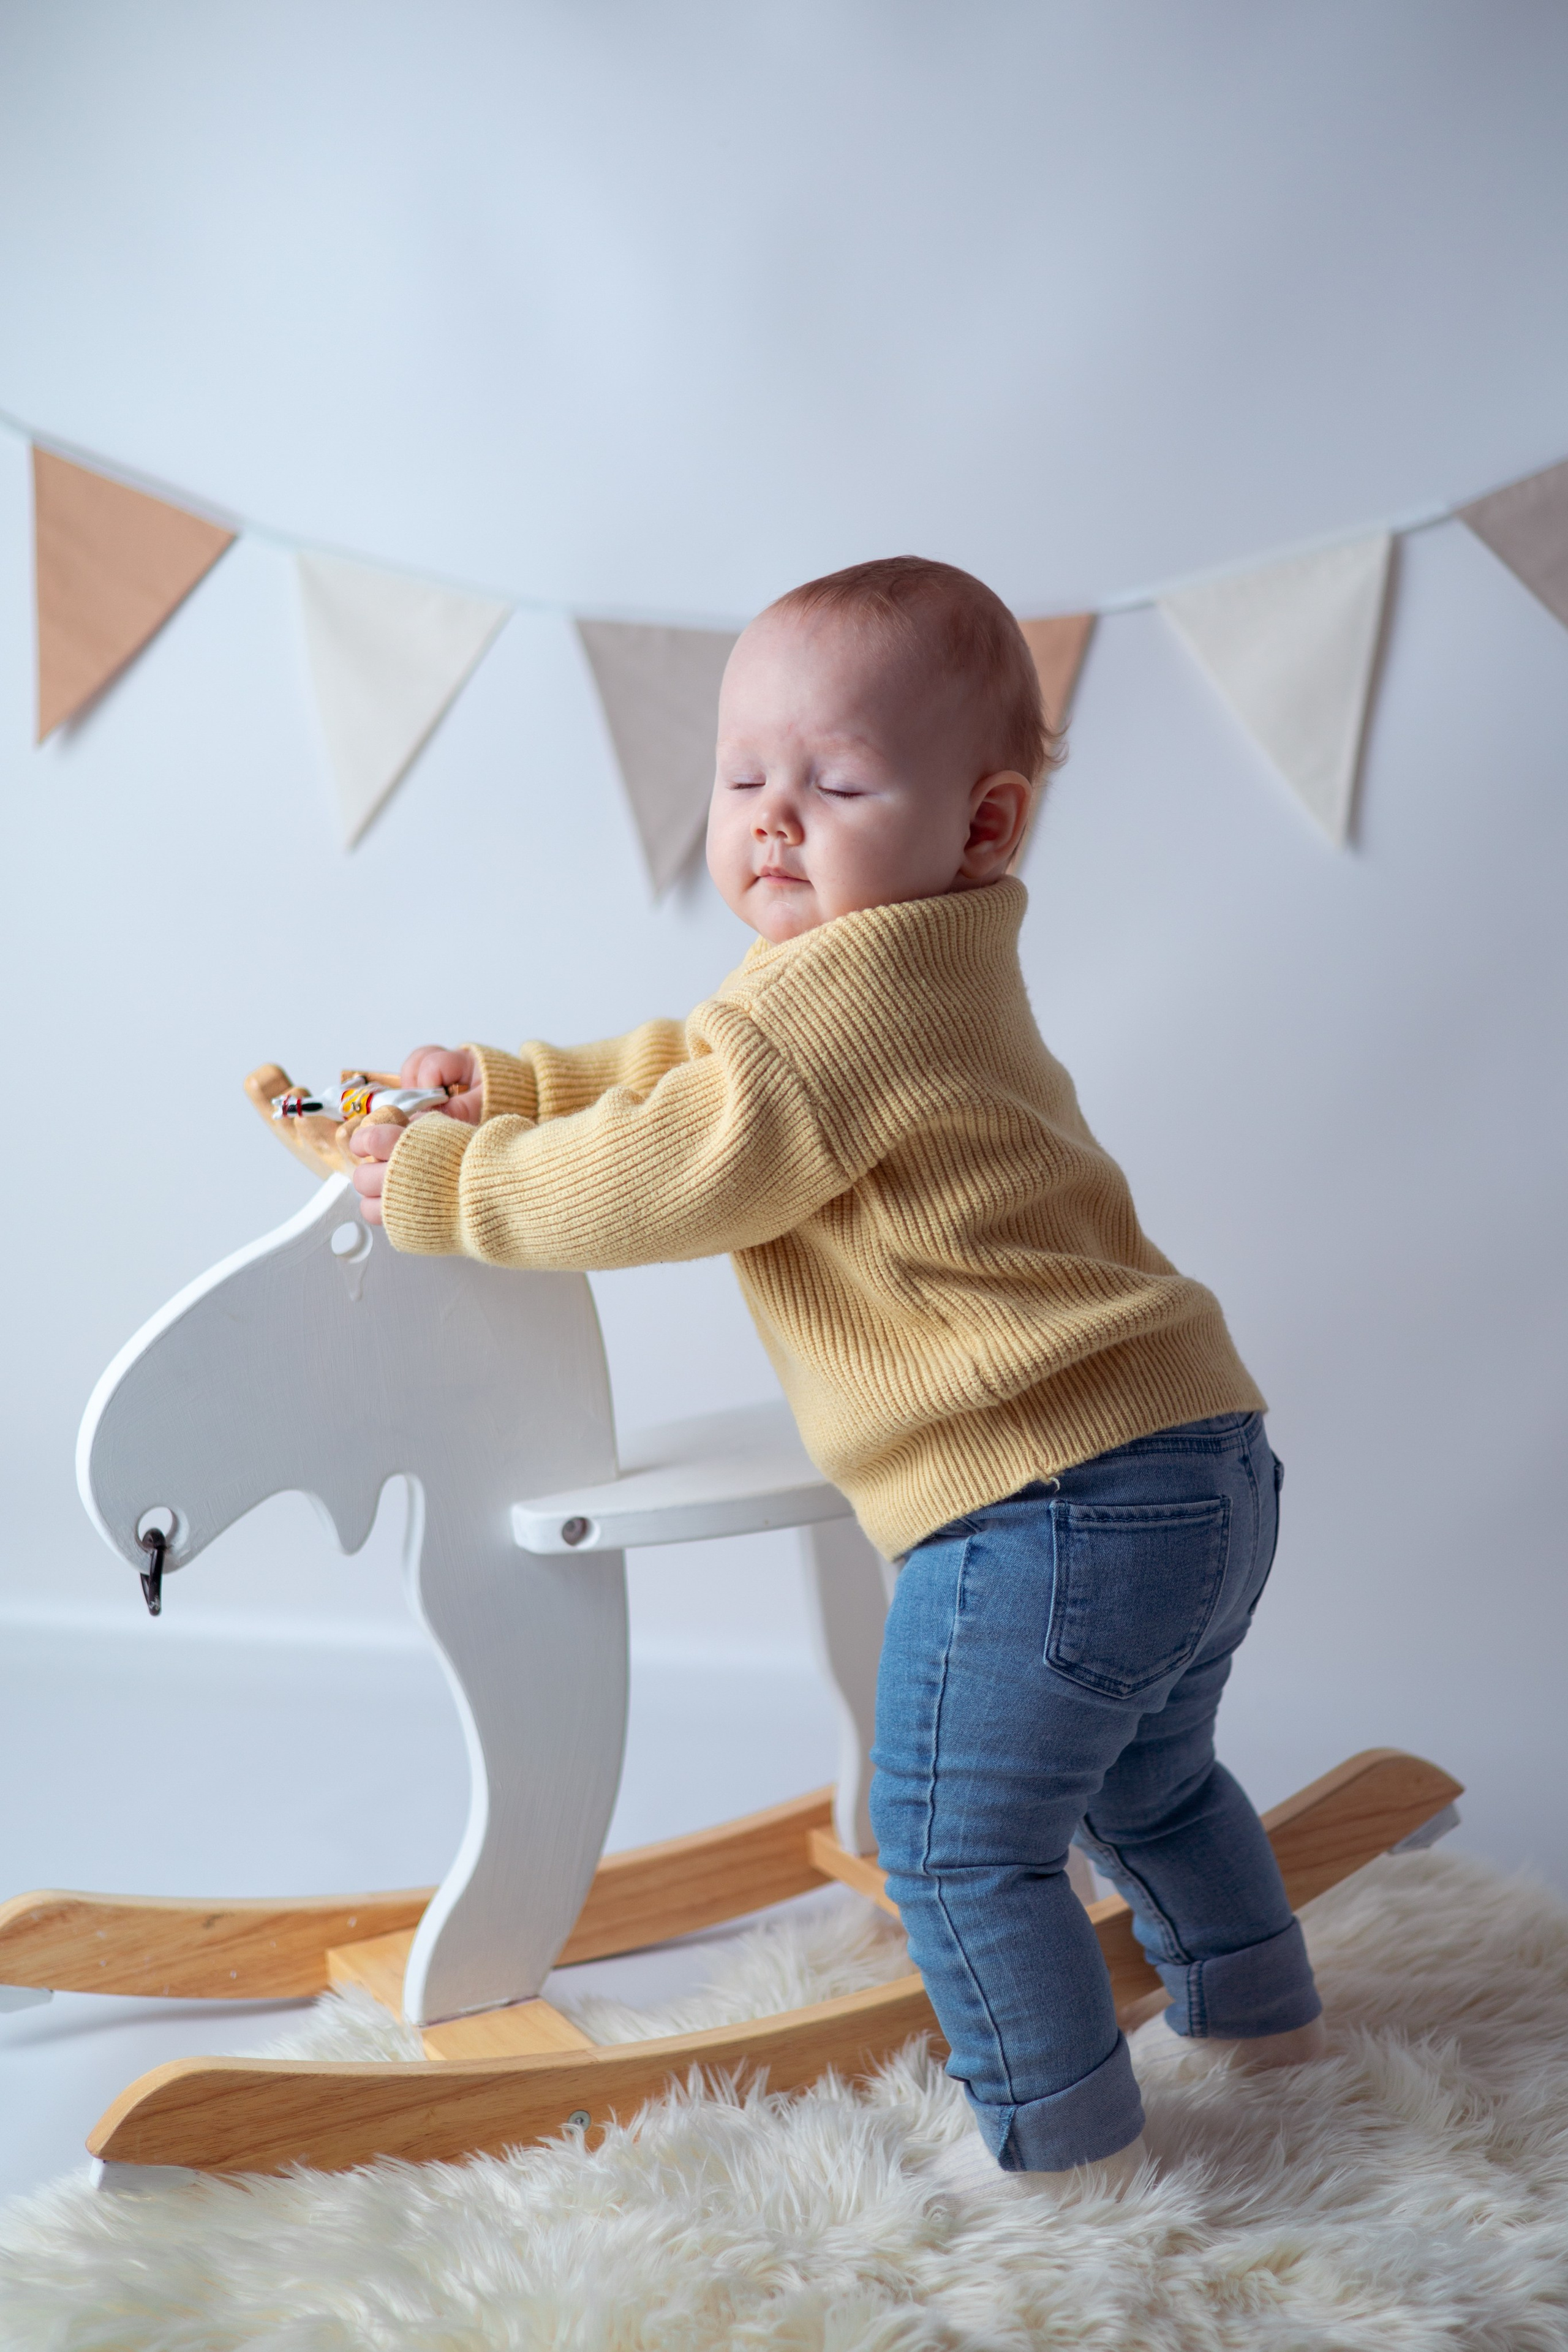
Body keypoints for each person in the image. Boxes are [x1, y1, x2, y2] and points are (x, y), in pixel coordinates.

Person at [349, 555, 1325, 2195]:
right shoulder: (906, 970)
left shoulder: (837, 1019)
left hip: (1047, 1504)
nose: (774, 819)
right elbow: (687, 1065)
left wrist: (453, 1183)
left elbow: (680, 1164)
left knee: (958, 1845)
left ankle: (1071, 2162)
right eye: (743, 778)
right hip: (1197, 1461)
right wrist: (508, 1080)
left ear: (983, 823)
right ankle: (1265, 2024)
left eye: (838, 781)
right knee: (1152, 1780)